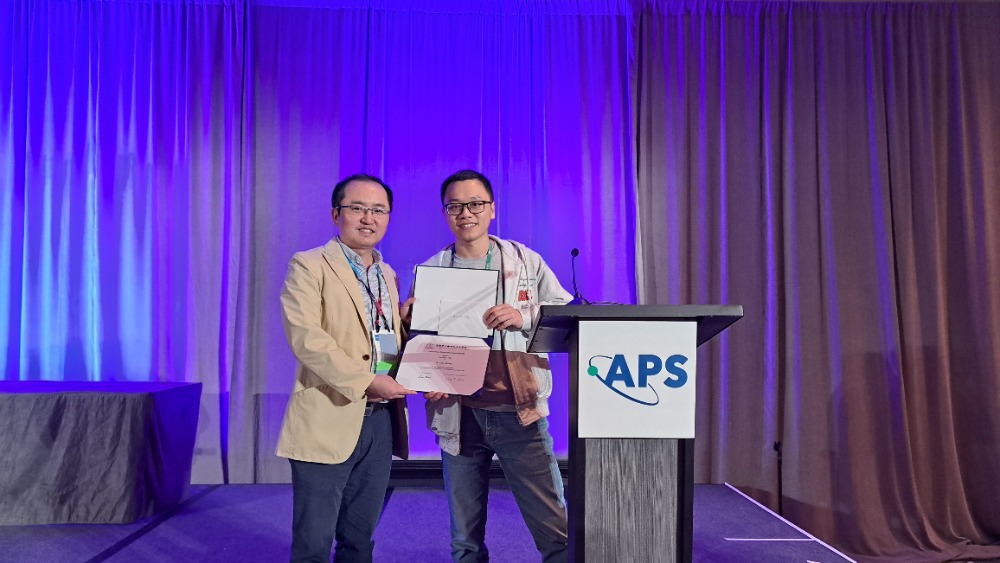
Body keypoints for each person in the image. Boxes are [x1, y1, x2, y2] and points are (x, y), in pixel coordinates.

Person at [413, 169, 571, 562]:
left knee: (557, 533)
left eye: (475, 204)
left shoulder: (524, 260)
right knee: (464, 542)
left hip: (520, 414)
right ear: (445, 213)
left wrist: (524, 315)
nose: (466, 213)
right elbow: (418, 343)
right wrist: (425, 376)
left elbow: (566, 315)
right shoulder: (431, 270)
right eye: (455, 206)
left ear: (492, 209)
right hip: (459, 415)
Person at [277, 173, 415, 563]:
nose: (368, 218)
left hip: (380, 421)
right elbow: (306, 338)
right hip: (329, 412)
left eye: (378, 210)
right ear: (336, 213)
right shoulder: (308, 264)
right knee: (313, 544)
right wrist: (368, 381)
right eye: (357, 208)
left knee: (360, 538)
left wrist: (406, 328)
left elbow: (381, 341)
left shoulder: (386, 274)